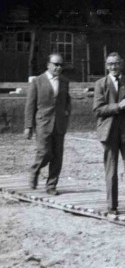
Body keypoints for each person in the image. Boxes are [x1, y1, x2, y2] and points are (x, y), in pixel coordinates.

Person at [93, 52, 125, 215]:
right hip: (109, 132)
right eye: (110, 64)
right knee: (111, 170)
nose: (114, 67)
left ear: (121, 64)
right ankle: (112, 206)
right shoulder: (100, 84)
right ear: (106, 66)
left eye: (116, 63)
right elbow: (98, 110)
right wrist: (119, 106)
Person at [24, 53, 72, 196]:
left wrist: (67, 112)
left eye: (61, 65)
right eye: (56, 64)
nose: (58, 67)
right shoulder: (37, 81)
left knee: (57, 156)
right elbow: (30, 105)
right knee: (44, 152)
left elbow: (67, 101)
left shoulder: (64, 81)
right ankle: (35, 170)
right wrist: (28, 126)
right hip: (43, 124)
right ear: (48, 65)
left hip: (59, 125)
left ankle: (51, 186)